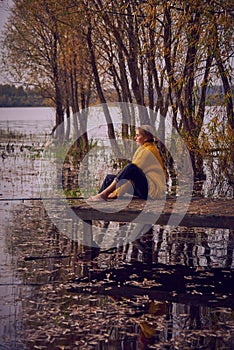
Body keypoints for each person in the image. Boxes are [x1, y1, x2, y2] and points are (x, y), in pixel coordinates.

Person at [88, 125, 166, 201]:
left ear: (146, 138)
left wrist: (116, 193)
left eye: (138, 135)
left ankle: (104, 194)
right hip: (145, 187)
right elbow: (128, 176)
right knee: (109, 178)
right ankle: (99, 198)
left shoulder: (148, 151)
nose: (135, 138)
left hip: (152, 191)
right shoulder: (144, 148)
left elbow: (130, 175)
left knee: (131, 167)